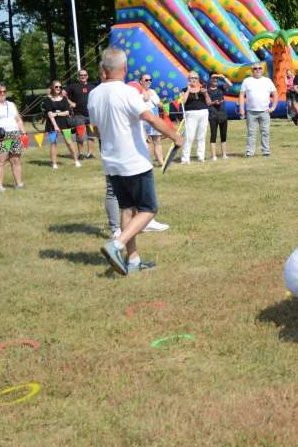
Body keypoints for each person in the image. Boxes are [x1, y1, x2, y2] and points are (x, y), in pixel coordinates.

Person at [90, 47, 184, 276]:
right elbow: (150, 118)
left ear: (104, 69)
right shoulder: (127, 92)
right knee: (148, 209)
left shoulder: (94, 94)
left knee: (128, 209)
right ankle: (117, 245)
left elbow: (95, 130)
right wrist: (175, 136)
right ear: (124, 69)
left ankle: (133, 261)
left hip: (111, 161)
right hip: (133, 160)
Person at [239, 62, 276, 156]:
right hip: (251, 111)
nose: (258, 70)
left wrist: (273, 107)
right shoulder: (247, 81)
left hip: (265, 111)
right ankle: (250, 152)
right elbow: (242, 95)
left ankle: (266, 151)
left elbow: (275, 94)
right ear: (252, 70)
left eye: (259, 68)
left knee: (265, 132)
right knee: (251, 133)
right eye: (255, 68)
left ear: (262, 70)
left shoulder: (267, 81)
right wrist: (241, 108)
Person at [43, 80, 81, 168]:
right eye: (56, 87)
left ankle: (76, 161)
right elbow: (49, 114)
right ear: (52, 87)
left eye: (60, 87)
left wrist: (56, 113)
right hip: (52, 124)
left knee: (69, 141)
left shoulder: (63, 98)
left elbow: (67, 112)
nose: (58, 88)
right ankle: (54, 163)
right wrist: (55, 126)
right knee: (53, 143)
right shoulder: (47, 99)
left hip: (64, 123)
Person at [178, 72, 210, 163]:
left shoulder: (202, 89)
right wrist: (188, 89)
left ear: (198, 79)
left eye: (195, 78)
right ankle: (185, 158)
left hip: (203, 112)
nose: (193, 79)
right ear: (188, 79)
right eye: (191, 78)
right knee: (189, 136)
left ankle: (201, 156)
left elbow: (208, 102)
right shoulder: (184, 89)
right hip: (190, 114)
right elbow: (183, 101)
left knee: (201, 136)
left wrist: (205, 93)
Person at [65, 69, 97, 159]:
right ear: (78, 77)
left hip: (92, 115)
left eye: (85, 75)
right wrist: (70, 102)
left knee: (92, 135)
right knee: (80, 136)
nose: (83, 76)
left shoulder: (92, 87)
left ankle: (90, 153)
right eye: (81, 75)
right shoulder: (73, 86)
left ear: (87, 76)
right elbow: (63, 93)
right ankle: (81, 154)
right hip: (79, 115)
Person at [139, 75, 166, 164]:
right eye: (146, 80)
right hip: (142, 119)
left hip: (154, 118)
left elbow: (159, 104)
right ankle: (146, 163)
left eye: (150, 80)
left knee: (157, 141)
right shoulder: (137, 91)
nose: (149, 81)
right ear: (141, 81)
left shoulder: (153, 91)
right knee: (145, 142)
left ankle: (161, 163)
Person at [206, 74, 229, 160]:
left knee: (223, 135)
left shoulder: (221, 87)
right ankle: (214, 156)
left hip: (223, 114)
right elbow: (207, 103)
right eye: (213, 78)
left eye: (216, 78)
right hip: (213, 115)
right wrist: (214, 103)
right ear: (210, 79)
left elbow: (230, 84)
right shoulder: (207, 90)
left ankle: (224, 155)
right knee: (213, 135)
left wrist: (222, 77)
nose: (215, 79)